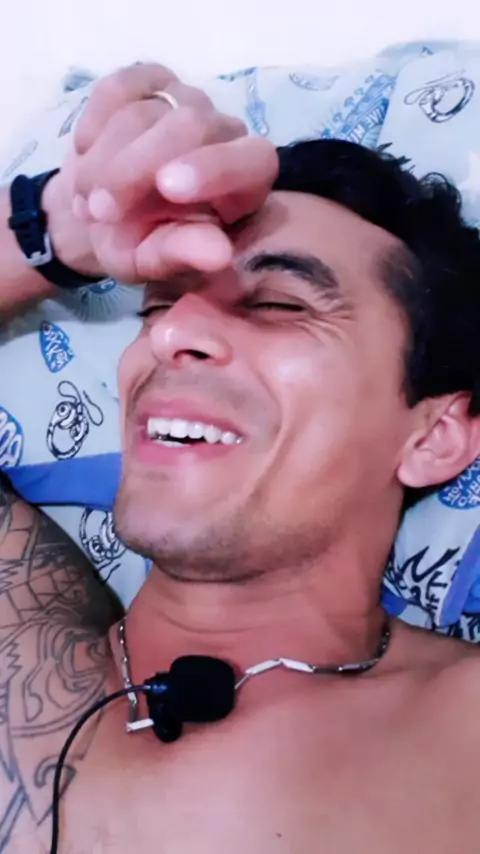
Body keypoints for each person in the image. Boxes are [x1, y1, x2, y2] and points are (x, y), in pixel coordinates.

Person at [2, 63, 480, 854]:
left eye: (279, 304)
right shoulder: (23, 627)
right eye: (157, 302)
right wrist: (59, 228)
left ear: (433, 436)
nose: (168, 334)